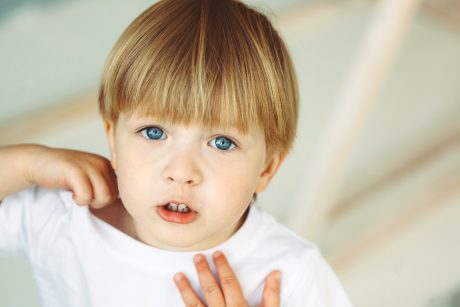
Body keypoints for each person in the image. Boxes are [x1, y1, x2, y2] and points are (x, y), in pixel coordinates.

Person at [0, 0, 353, 306]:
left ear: (267, 168)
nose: (181, 171)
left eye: (221, 142)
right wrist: (28, 162)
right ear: (112, 140)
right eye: (153, 133)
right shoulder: (64, 216)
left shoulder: (289, 275)